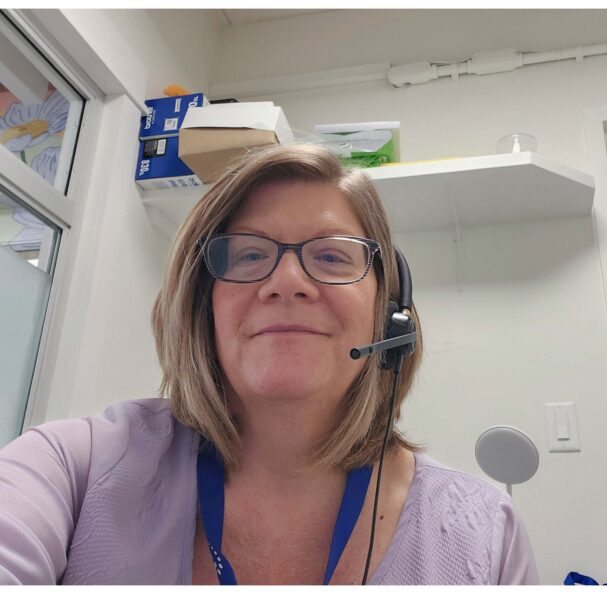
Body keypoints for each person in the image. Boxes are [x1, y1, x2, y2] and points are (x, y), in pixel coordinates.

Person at [0, 144, 539, 585]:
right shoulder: (70, 468)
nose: (287, 283)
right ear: (202, 304)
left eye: (331, 256)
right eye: (250, 254)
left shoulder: (487, 534)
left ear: (388, 311)